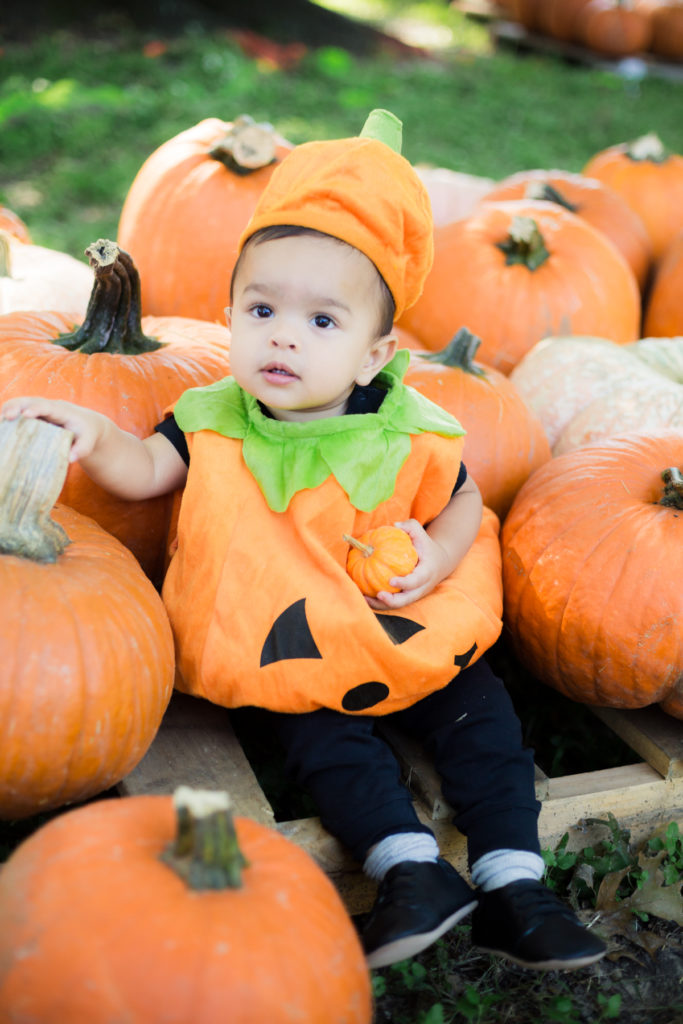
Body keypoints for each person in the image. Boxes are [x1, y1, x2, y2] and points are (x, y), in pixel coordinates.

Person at [1, 110, 606, 972]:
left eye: (322, 322)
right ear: (229, 316)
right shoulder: (212, 416)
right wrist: (90, 432)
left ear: (373, 354)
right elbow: (142, 470)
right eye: (262, 308)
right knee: (321, 742)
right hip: (297, 652)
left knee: (482, 720)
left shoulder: (411, 424)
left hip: (405, 620)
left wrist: (435, 556)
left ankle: (517, 884)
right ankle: (409, 870)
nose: (283, 333)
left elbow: (464, 503)